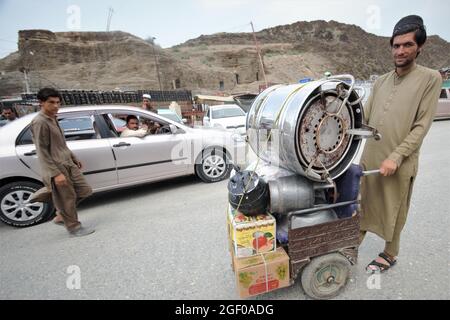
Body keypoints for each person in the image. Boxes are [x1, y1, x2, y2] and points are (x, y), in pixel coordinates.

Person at [359, 15, 442, 273]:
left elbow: (422, 125)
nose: (401, 50)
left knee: (395, 205)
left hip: (400, 159)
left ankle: (390, 253)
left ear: (419, 47)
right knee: (363, 201)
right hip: (371, 156)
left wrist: (397, 156)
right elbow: (364, 118)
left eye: (407, 45)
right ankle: (354, 243)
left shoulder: (430, 78)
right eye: (396, 45)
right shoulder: (381, 81)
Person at [31, 88, 94, 237]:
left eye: (58, 102)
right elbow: (42, 151)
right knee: (67, 198)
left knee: (85, 190)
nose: (56, 106)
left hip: (67, 162)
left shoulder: (53, 117)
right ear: (41, 103)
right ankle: (74, 228)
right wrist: (56, 173)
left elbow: (61, 144)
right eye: (51, 102)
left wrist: (73, 157)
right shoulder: (39, 122)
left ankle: (61, 215)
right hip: (57, 166)